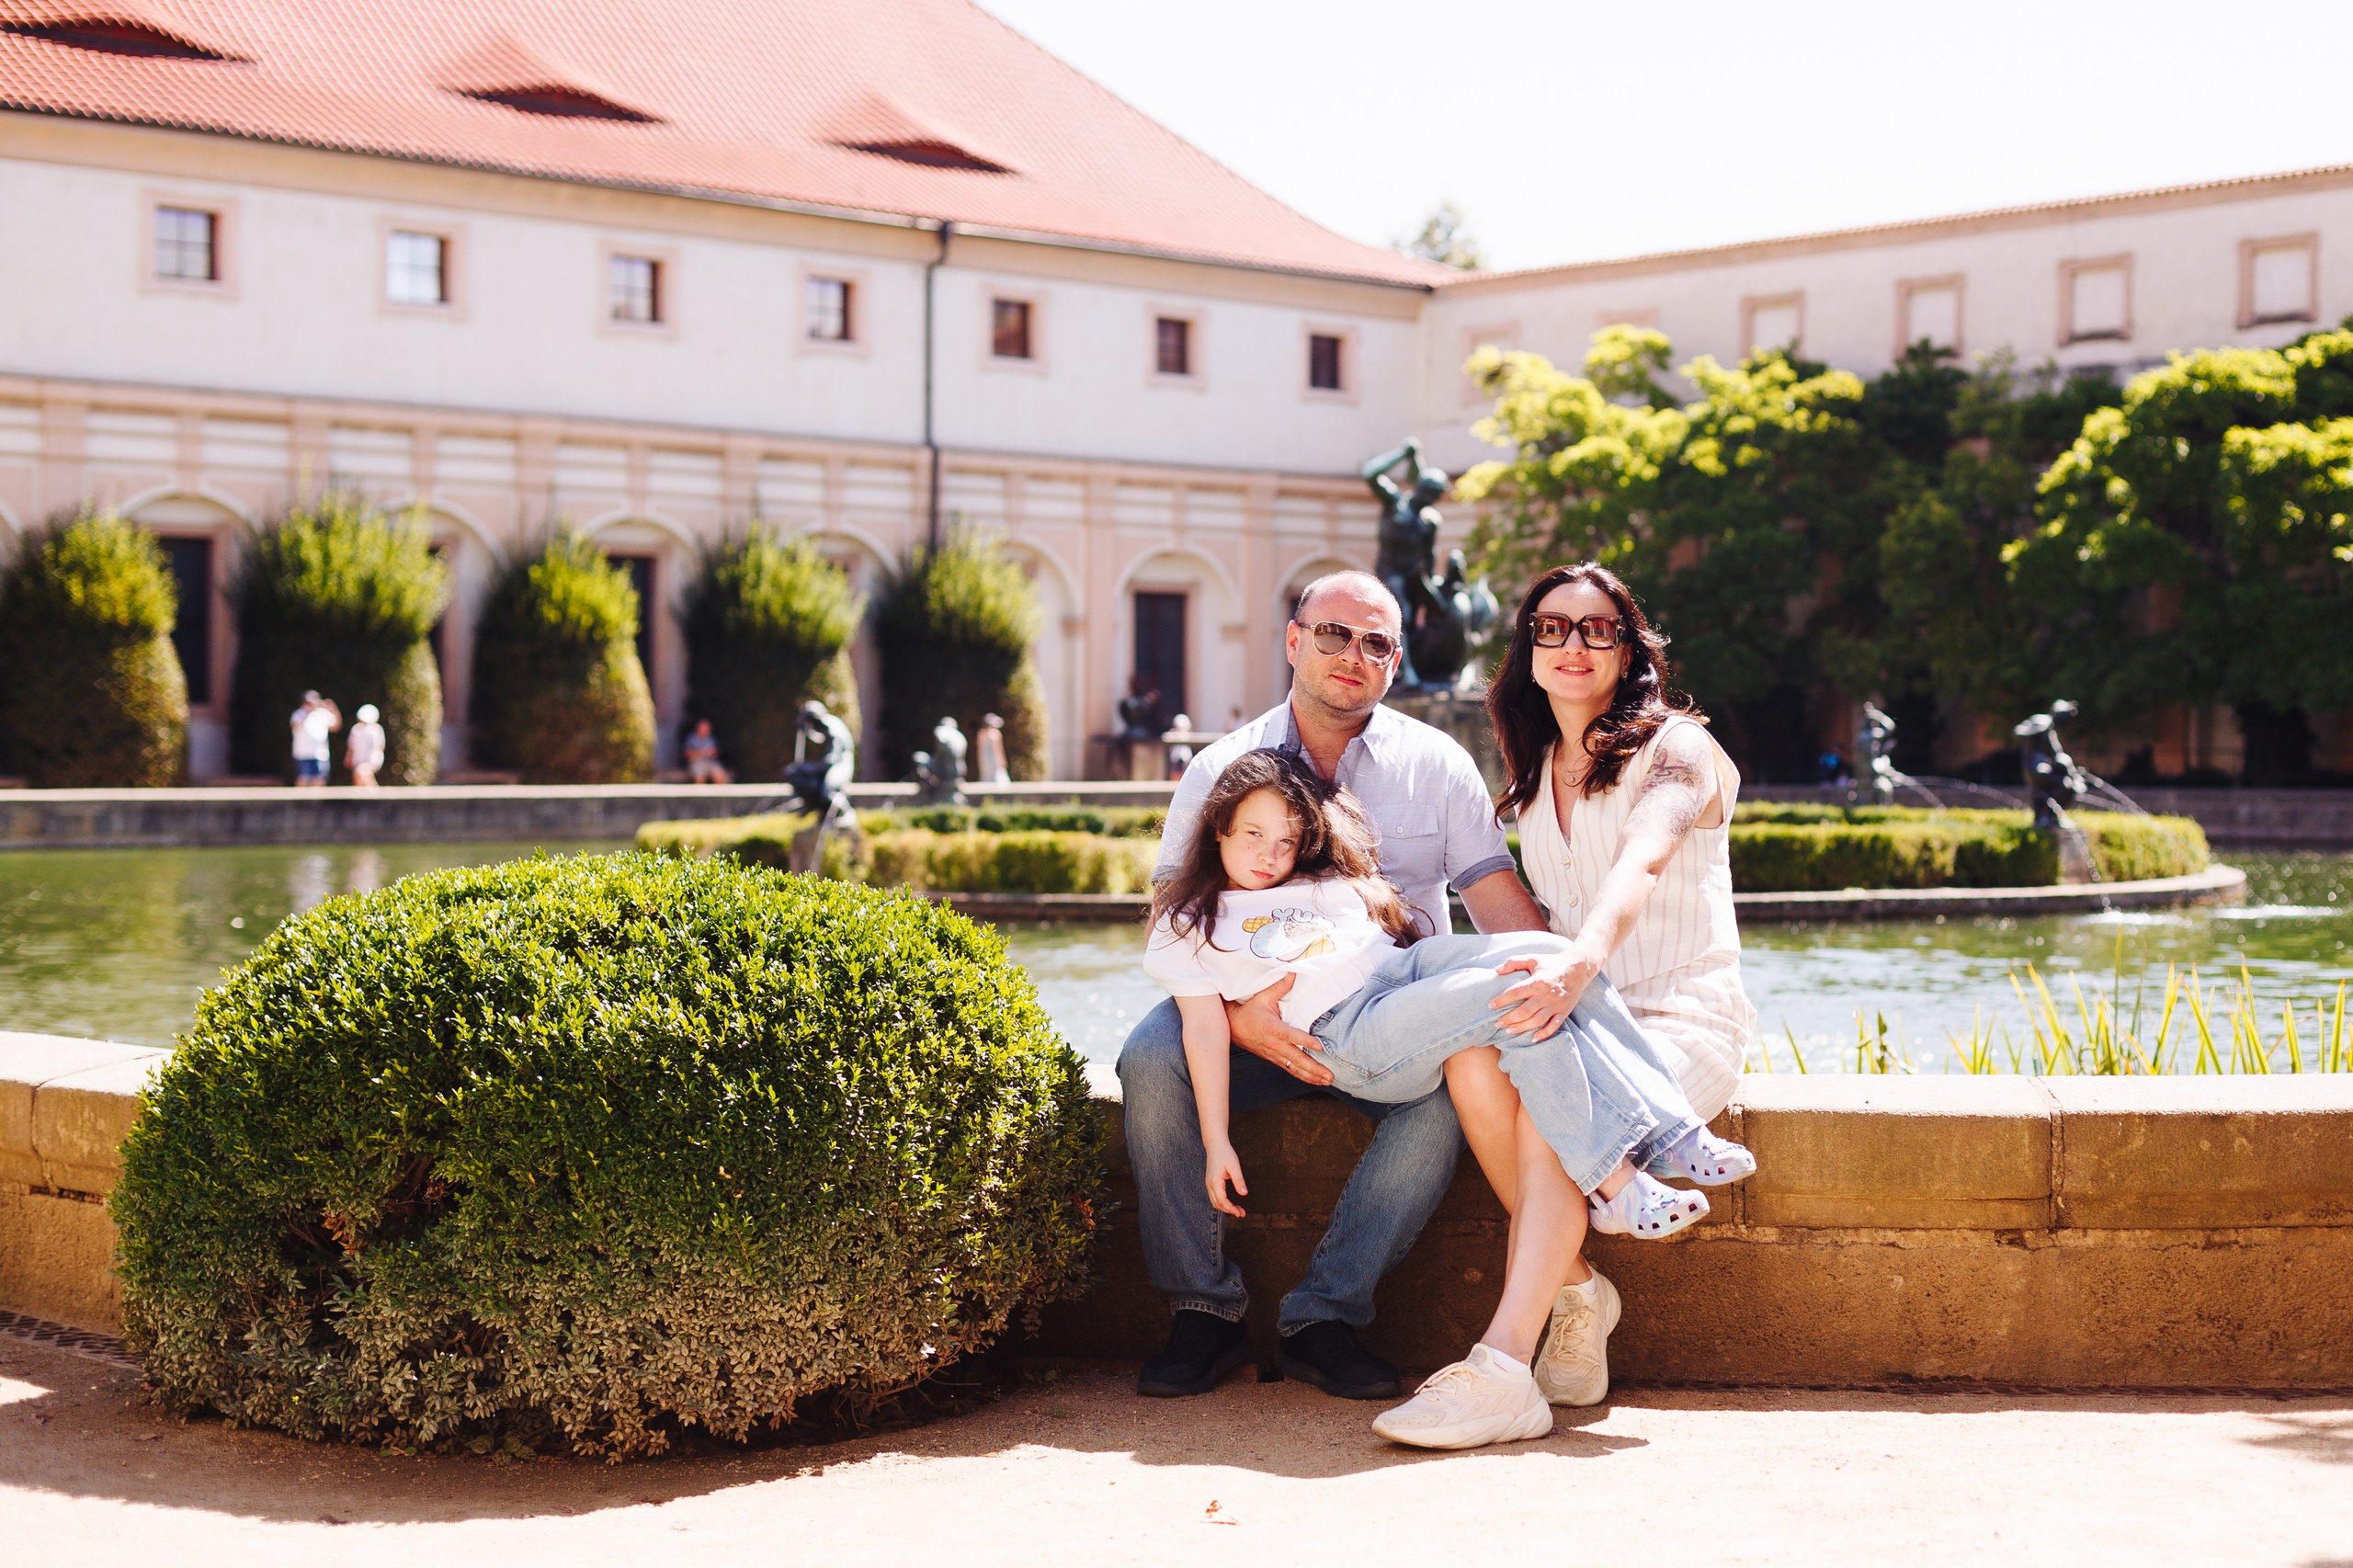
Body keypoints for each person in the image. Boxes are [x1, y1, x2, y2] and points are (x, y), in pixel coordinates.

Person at [1144, 748, 1750, 1447]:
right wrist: (1217, 1142)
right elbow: (1202, 1033)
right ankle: (1615, 1180)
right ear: (1216, 828)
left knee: (1554, 961)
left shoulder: (1319, 882)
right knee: (1513, 992)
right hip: (1351, 1038)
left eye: (1284, 839)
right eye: (1250, 834)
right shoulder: (1189, 921)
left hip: (1401, 975)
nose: (1268, 854)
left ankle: (1674, 1134)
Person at [1118, 569, 1553, 1404]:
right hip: (1244, 1011)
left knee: (1445, 1097)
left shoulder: (1437, 764)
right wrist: (1242, 1019)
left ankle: (1326, 1316)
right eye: (1333, 634)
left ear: (1394, 663)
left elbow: (1494, 892)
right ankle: (1202, 1314)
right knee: (1149, 1058)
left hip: (1386, 1019)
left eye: (1377, 643)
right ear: (1294, 641)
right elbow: (1173, 915)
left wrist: (1557, 971)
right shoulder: (1220, 767)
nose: (1353, 655)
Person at [1434, 562, 1763, 1421]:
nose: (1572, 645)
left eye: (1595, 628)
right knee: (1470, 1062)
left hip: (1678, 1016)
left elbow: (1642, 861)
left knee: (1549, 1113)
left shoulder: (1678, 748)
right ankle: (1580, 1289)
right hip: (1573, 1021)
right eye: (1551, 628)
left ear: (1628, 649)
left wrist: (1579, 959)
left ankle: (1502, 1364)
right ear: (1527, 650)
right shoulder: (1535, 766)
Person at [289, 691, 339, 788]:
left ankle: (315, 802)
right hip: (302, 754)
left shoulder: (323, 714)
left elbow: (335, 727)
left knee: (320, 779)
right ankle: (300, 802)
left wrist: (333, 709)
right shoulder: (298, 714)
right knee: (302, 779)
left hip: (320, 754)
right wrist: (308, 712)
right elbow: (295, 727)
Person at [344, 703, 386, 789]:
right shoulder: (356, 729)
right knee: (358, 780)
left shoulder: (376, 729)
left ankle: (377, 797)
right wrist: (348, 758)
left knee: (362, 773)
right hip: (358, 760)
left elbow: (379, 746)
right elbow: (351, 746)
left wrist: (372, 759)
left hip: (370, 760)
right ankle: (363, 800)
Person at [684, 720, 730, 784]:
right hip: (696, 762)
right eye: (703, 728)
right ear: (698, 728)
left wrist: (712, 752)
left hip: (710, 761)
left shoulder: (711, 738)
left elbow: (716, 753)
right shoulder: (691, 739)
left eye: (707, 729)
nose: (705, 730)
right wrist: (700, 752)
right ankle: (700, 793)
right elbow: (687, 754)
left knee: (720, 775)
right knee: (699, 778)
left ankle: (717, 793)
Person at [974, 712, 1011, 784]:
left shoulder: (980, 734)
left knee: (986, 779)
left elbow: (979, 750)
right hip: (994, 760)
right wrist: (1002, 761)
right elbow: (998, 749)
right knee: (1000, 779)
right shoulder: (995, 733)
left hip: (984, 760)